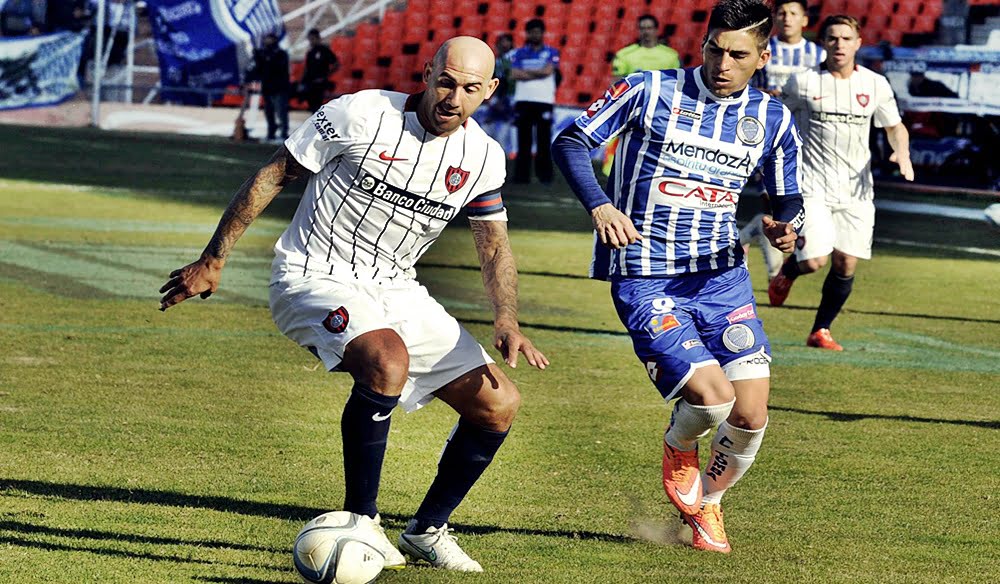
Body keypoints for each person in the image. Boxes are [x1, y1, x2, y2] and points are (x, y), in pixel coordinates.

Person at [159, 36, 548, 572]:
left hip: (398, 288)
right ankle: (360, 521)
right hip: (312, 273)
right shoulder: (362, 112)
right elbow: (274, 173)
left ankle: (427, 531)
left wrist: (506, 317)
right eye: (446, 81)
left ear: (491, 91)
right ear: (428, 71)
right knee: (387, 360)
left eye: (470, 88)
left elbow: (494, 245)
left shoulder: (482, 156)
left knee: (498, 404)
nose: (454, 97)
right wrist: (214, 258)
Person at [552, 0, 803, 554]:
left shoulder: (773, 119)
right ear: (703, 43)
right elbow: (572, 141)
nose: (723, 61)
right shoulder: (649, 89)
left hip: (722, 278)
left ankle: (706, 506)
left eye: (739, 54)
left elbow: (788, 197)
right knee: (711, 401)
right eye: (715, 47)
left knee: (752, 411)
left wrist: (788, 228)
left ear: (761, 58)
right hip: (646, 273)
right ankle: (680, 445)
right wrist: (599, 205)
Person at [767, 14, 913, 351]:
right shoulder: (804, 82)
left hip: (857, 190)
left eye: (846, 39)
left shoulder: (875, 84)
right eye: (832, 38)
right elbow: (778, 121)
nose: (839, 45)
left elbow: (894, 126)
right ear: (823, 43)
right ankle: (789, 272)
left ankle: (820, 330)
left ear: (858, 43)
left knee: (846, 262)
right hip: (813, 186)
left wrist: (901, 153)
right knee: (815, 261)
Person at [741, 0, 826, 281]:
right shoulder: (766, 49)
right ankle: (773, 267)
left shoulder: (817, 54)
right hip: (766, 132)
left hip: (806, 136)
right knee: (771, 198)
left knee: (785, 199)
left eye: (793, 13)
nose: (786, 18)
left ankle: (747, 237)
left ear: (804, 20)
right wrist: (773, 95)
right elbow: (748, 85)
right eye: (782, 13)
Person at [601, 14, 681, 177]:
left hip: (660, 110)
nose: (646, 32)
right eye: (642, 28)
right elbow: (616, 83)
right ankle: (612, 173)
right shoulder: (625, 54)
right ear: (638, 30)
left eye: (649, 28)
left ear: (656, 30)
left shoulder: (671, 56)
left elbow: (677, 85)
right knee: (624, 143)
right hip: (632, 109)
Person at [509, 18, 560, 184]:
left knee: (543, 140)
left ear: (543, 33)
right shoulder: (519, 52)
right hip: (523, 100)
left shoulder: (552, 52)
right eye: (532, 31)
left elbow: (548, 71)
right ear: (527, 33)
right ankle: (521, 176)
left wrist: (526, 73)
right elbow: (514, 74)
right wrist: (536, 72)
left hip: (543, 101)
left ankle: (544, 176)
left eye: (538, 31)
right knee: (524, 140)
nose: (535, 34)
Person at [245, 32, 291, 142]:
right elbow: (259, 69)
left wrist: (263, 58)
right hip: (267, 87)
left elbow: (277, 68)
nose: (267, 41)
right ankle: (271, 132)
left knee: (281, 111)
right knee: (269, 112)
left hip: (279, 87)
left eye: (269, 39)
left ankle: (284, 133)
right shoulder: (263, 54)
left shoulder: (280, 54)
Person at [478, 32, 515, 146]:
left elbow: (507, 80)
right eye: (501, 42)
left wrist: (499, 98)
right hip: (499, 97)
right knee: (488, 125)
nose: (503, 44)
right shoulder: (498, 60)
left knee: (503, 127)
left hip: (508, 98)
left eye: (506, 41)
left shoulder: (512, 58)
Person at [299, 28, 339, 113]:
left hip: (320, 83)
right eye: (310, 39)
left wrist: (326, 76)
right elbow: (307, 68)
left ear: (318, 38)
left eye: (313, 39)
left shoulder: (325, 50)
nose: (311, 41)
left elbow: (336, 64)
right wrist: (303, 80)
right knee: (311, 105)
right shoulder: (310, 52)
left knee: (318, 105)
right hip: (310, 82)